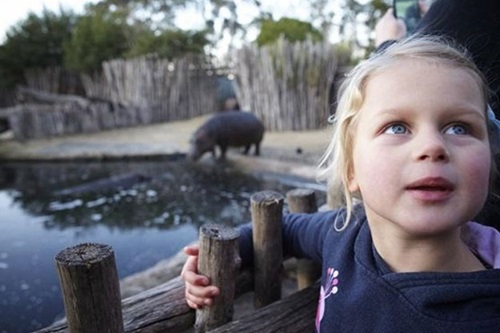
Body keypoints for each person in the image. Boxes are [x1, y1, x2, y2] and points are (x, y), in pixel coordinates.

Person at [181, 36, 500, 332]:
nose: (433, 146)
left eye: (459, 128)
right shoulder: (346, 231)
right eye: (397, 127)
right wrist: (226, 255)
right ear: (350, 169)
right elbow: (286, 227)